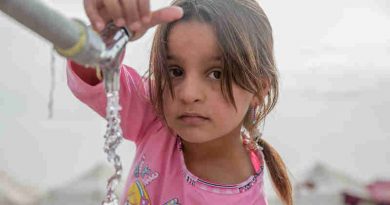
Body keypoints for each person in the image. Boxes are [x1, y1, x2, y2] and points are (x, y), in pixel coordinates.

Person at [68, 0, 293, 204]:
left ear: (259, 88)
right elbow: (98, 77)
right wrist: (105, 36)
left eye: (216, 74)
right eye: (176, 71)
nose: (188, 93)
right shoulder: (156, 114)